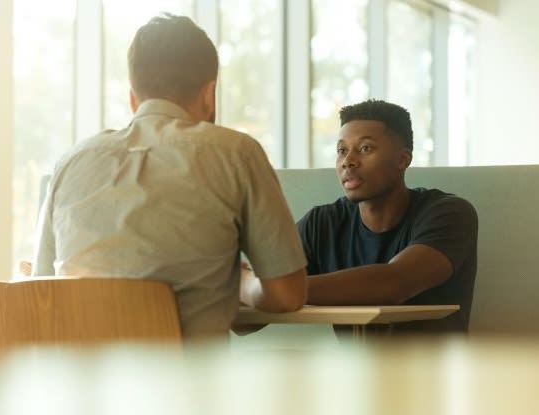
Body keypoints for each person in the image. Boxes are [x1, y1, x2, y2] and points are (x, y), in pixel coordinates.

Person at [31, 13, 307, 340]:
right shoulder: (236, 153)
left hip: (79, 386)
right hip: (189, 386)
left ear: (133, 98)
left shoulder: (70, 162)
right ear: (209, 94)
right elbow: (287, 295)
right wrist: (243, 284)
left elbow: (40, 291)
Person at [297, 99, 478, 334]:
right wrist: (249, 287)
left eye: (365, 148)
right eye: (342, 150)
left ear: (403, 159)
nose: (348, 161)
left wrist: (276, 290)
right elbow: (246, 323)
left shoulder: (450, 214)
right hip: (354, 369)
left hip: (435, 369)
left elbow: (394, 284)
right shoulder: (321, 224)